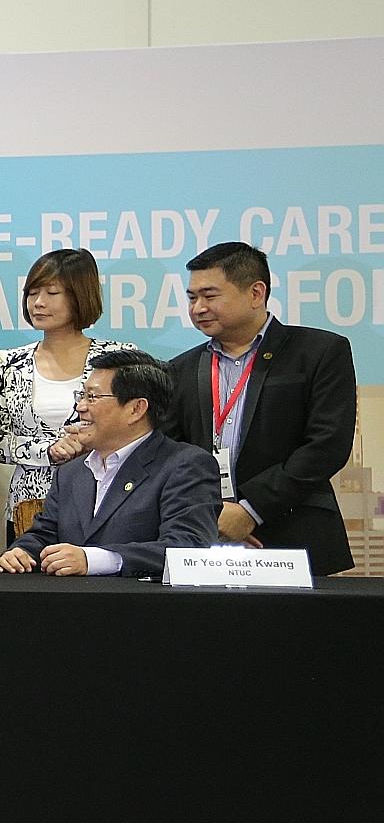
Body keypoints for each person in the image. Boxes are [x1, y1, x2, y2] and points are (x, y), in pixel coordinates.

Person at [161, 241, 357, 576]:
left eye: (209, 295)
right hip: (205, 538)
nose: (198, 308)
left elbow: (327, 445)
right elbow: (169, 454)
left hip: (295, 534)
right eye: (192, 297)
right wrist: (210, 514)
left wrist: (251, 510)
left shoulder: (320, 351)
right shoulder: (179, 368)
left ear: (256, 293)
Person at [0, 350, 220, 577]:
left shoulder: (185, 466)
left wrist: (96, 559)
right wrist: (22, 552)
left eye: (92, 397)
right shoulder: (72, 472)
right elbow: (45, 534)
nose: (80, 407)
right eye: (81, 396)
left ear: (135, 409)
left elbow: (189, 548)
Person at [0, 249, 134, 538]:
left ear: (79, 295)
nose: (39, 303)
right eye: (32, 293)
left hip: (105, 504)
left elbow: (138, 432)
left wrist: (92, 441)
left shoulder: (121, 359)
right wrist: (49, 451)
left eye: (52, 292)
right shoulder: (8, 363)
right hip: (29, 510)